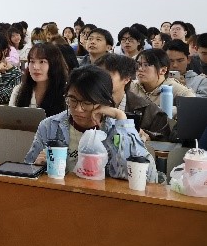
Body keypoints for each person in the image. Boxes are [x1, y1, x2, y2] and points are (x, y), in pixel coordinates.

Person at [24, 65, 157, 182]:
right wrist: (37, 166)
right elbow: (27, 170)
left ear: (104, 102)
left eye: (87, 102)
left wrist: (120, 116)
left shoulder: (116, 130)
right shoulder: (50, 126)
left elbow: (147, 176)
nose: (78, 109)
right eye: (72, 100)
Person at [94, 54, 170, 140]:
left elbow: (163, 142)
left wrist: (143, 135)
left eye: (107, 75)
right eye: (97, 76)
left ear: (126, 79)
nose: (100, 80)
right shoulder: (86, 104)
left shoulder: (150, 111)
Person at [9, 43, 68, 117]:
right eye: (32, 61)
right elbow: (10, 118)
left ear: (55, 64)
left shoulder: (66, 93)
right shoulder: (19, 90)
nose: (35, 67)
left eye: (42, 62)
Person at [129, 49, 194, 111]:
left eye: (146, 65)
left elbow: (192, 109)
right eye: (138, 64)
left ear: (163, 70)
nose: (140, 69)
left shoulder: (177, 90)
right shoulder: (131, 87)